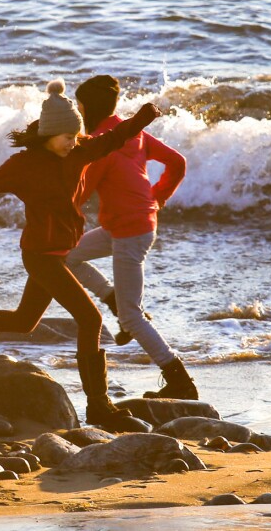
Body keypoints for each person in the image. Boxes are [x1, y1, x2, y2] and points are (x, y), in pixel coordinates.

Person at [0, 78, 161, 430]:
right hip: (39, 255)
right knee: (91, 320)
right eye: (67, 137)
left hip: (57, 253)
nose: (73, 143)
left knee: (24, 322)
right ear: (50, 134)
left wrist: (141, 119)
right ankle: (98, 405)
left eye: (76, 136)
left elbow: (112, 139)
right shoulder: (23, 165)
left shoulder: (79, 151)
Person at [67, 74, 197, 400]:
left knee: (131, 317)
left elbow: (80, 192)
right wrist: (158, 197)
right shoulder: (132, 132)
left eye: (79, 105)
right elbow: (177, 162)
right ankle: (111, 297)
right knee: (66, 258)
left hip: (130, 233)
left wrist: (57, 214)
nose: (78, 111)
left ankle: (179, 380)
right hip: (125, 226)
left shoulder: (102, 142)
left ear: (88, 109)